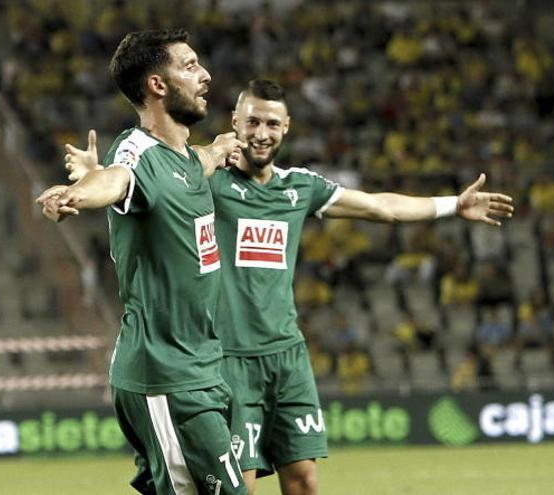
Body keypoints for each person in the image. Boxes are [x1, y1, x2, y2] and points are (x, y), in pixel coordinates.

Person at [65, 79, 514, 495]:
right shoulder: (207, 179)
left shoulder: (299, 188)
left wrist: (453, 204)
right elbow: (145, 181)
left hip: (287, 357)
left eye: (272, 123)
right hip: (225, 361)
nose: (262, 133)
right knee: (240, 484)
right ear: (235, 124)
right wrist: (95, 175)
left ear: (286, 128)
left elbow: (381, 207)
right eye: (253, 122)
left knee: (304, 481)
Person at [36, 28, 246, 495]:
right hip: (165, 375)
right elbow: (116, 179)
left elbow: (203, 160)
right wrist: (76, 193)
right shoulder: (137, 152)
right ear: (157, 85)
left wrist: (221, 148)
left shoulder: (184, 159)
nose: (205, 75)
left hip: (199, 370)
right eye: (190, 66)